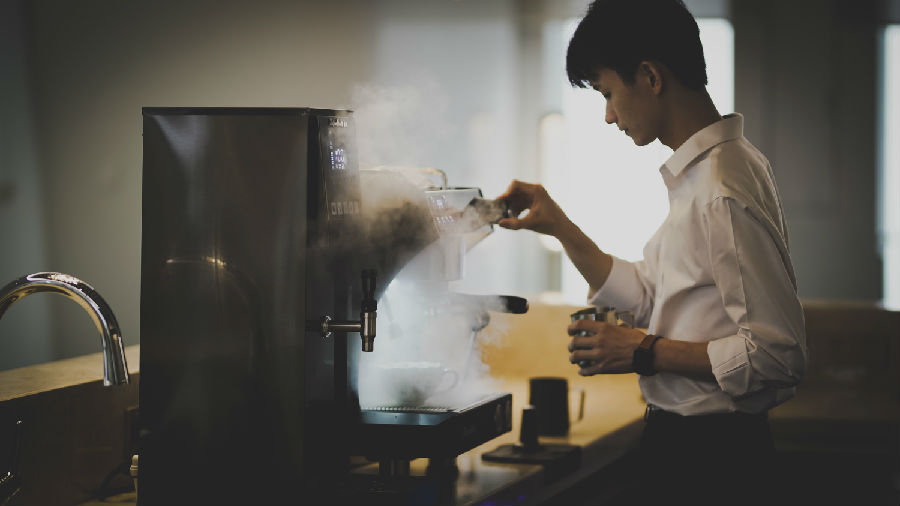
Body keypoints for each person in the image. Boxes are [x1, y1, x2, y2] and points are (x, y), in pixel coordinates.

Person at [496, 0, 807, 504]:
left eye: (608, 93)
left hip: (714, 459)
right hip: (694, 446)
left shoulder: (720, 188)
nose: (608, 116)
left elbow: (776, 356)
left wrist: (642, 350)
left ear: (650, 76)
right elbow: (647, 295)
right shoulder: (707, 174)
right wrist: (560, 227)